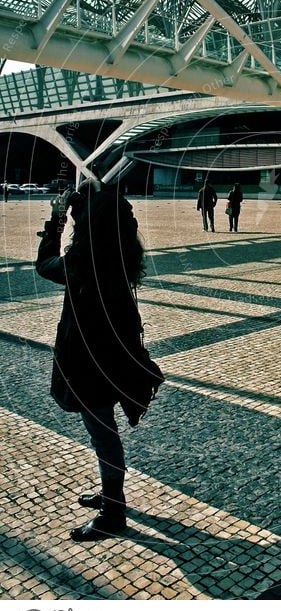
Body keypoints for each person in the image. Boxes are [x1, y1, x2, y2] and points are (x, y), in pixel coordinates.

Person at [35, 180, 161, 542]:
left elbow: (44, 265)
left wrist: (55, 223)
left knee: (103, 436)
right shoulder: (119, 252)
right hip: (109, 357)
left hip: (90, 363)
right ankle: (110, 495)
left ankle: (113, 512)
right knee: (103, 434)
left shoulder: (84, 259)